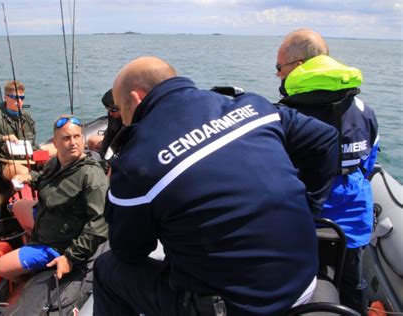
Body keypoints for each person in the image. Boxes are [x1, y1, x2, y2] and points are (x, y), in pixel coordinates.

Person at [92, 56, 339, 315]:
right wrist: (310, 207)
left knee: (108, 269)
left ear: (137, 98)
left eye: (121, 108)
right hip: (303, 282)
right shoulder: (253, 106)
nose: (123, 120)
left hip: (233, 309)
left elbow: (129, 252)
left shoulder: (137, 162)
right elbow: (325, 139)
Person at [276, 28, 379, 313]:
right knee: (351, 282)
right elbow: (368, 162)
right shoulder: (363, 109)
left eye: (278, 67)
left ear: (298, 67)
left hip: (299, 220)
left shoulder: (286, 115)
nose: (277, 75)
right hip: (351, 222)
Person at [0, 115, 109, 280]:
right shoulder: (53, 164)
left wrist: (71, 257)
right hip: (49, 220)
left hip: (61, 242)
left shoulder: (92, 176)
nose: (73, 143)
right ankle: (32, 248)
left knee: (1, 267)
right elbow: (45, 182)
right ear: (55, 143)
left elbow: (98, 224)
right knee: (19, 206)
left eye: (77, 137)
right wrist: (30, 178)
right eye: (66, 138)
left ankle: (28, 279)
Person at [0, 80, 53, 181]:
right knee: (24, 173)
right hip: (4, 162)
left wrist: (39, 153)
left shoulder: (26, 117)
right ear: (6, 97)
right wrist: (2, 139)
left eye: (22, 98)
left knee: (54, 161)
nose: (19, 101)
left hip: (27, 157)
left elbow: (31, 142)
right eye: (15, 97)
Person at [87, 88, 123, 158]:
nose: (110, 114)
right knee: (92, 141)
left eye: (113, 110)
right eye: (108, 110)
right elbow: (109, 135)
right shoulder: (113, 115)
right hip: (116, 142)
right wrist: (103, 157)